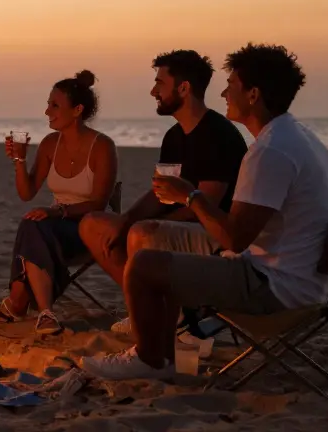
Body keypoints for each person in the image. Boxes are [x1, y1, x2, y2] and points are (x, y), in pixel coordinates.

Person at [82, 44, 328, 380]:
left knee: (143, 266)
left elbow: (234, 239)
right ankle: (163, 349)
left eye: (231, 85)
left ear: (253, 95)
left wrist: (190, 196)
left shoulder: (271, 152)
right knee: (150, 240)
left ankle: (151, 360)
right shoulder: (297, 137)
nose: (223, 93)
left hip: (275, 287)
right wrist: (135, 219)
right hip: (299, 277)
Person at [78, 50, 248, 333]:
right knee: (93, 224)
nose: (153, 91)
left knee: (141, 232)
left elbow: (206, 206)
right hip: (173, 225)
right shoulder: (174, 136)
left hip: (213, 233)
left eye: (160, 83)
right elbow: (160, 191)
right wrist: (127, 219)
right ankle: (150, 308)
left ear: (184, 88)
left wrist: (144, 224)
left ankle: (164, 315)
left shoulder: (218, 134)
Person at [0, 71, 118, 335]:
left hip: (88, 229)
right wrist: (19, 160)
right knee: (32, 224)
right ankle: (45, 313)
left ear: (77, 110)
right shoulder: (49, 144)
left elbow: (99, 204)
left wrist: (59, 211)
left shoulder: (102, 146)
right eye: (48, 104)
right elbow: (27, 193)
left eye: (55, 105)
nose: (47, 111)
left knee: (35, 226)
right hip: (54, 227)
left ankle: (17, 302)